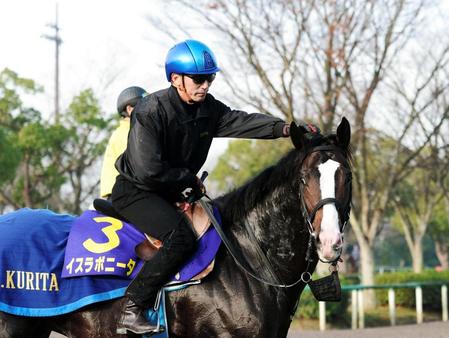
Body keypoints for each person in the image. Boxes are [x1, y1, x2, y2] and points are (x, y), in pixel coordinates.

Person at [112, 39, 318, 334]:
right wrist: (189, 180)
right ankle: (132, 307)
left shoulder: (207, 108)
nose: (205, 85)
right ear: (175, 79)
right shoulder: (150, 111)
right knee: (181, 238)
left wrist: (284, 129)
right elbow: (148, 171)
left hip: (171, 192)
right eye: (198, 79)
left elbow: (240, 121)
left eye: (209, 78)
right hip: (137, 192)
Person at [99, 86, 147, 199]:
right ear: (130, 109)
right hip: (121, 194)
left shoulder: (131, 131)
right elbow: (138, 167)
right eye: (144, 105)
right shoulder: (126, 133)